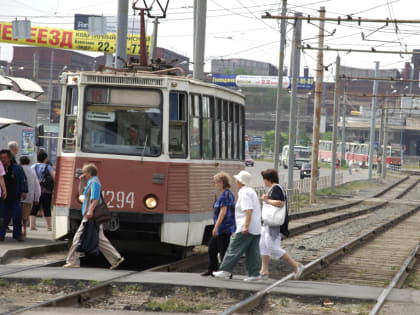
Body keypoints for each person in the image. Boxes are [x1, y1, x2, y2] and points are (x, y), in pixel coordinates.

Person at [64, 163, 125, 269]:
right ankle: (116, 258)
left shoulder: (95, 182)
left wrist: (90, 211)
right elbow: (81, 194)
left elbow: (95, 199)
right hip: (90, 214)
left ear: (89, 173)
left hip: (91, 215)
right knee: (100, 239)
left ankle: (73, 261)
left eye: (84, 172)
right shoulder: (91, 182)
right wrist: (81, 181)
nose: (83, 174)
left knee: (78, 237)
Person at [213, 170, 262, 282]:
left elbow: (248, 210)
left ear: (240, 181)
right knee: (252, 251)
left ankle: (225, 270)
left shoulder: (244, 192)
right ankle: (254, 274)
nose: (235, 181)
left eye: (237, 180)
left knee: (233, 247)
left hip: (246, 227)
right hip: (255, 227)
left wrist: (245, 226)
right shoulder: (251, 191)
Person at [259, 169, 303, 280]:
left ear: (268, 179)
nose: (263, 182)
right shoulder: (273, 189)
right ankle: (264, 271)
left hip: (275, 224)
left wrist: (267, 200)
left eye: (264, 179)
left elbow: (280, 203)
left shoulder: (276, 188)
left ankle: (296, 266)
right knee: (263, 245)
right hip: (268, 223)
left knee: (273, 248)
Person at [201, 172, 236, 277]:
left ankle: (226, 272)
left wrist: (215, 227)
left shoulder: (225, 195)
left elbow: (223, 212)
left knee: (222, 250)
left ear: (222, 183)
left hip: (224, 228)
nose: (216, 184)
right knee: (212, 248)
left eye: (217, 182)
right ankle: (212, 269)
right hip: (223, 228)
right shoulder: (226, 194)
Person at [0, 150, 27, 241]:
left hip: (15, 197)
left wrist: (24, 191)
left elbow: (23, 180)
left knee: (17, 216)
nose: (2, 160)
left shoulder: (17, 168)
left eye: (4, 158)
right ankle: (1, 234)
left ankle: (17, 235)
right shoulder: (1, 167)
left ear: (10, 158)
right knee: (3, 217)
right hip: (3, 198)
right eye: (1, 158)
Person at [30, 151, 55, 231]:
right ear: (45, 159)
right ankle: (49, 226)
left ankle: (32, 226)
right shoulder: (48, 167)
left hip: (35, 191)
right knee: (47, 208)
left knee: (34, 208)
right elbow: (55, 177)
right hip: (46, 191)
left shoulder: (33, 166)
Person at [19, 156, 41, 237]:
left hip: (19, 196)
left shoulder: (19, 169)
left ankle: (19, 230)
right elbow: (37, 185)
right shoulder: (32, 171)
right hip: (29, 197)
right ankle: (24, 228)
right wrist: (37, 198)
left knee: (18, 214)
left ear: (20, 161)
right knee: (25, 215)